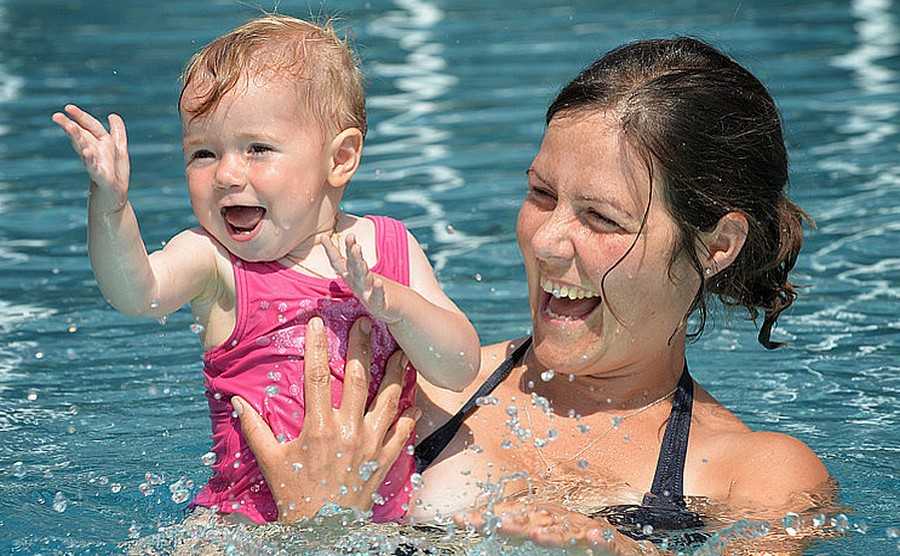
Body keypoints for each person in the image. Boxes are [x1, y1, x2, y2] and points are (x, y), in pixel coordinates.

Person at [235, 36, 833, 552]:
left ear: (717, 245)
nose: (546, 241)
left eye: (601, 218)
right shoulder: (405, 391)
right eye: (541, 195)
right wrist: (310, 529)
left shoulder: (757, 480)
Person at [50, 14, 480, 525]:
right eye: (203, 153)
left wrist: (397, 306)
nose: (228, 175)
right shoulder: (213, 260)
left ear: (340, 158)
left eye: (257, 149)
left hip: (378, 524)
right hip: (242, 526)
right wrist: (111, 204)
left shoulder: (388, 247)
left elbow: (457, 365)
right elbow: (135, 291)